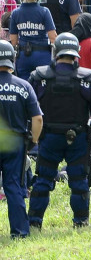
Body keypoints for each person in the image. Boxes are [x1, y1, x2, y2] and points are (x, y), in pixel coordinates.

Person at [27, 33, 91, 228]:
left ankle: (34, 223)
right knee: (79, 181)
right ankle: (81, 223)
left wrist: (32, 137)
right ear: (76, 54)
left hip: (48, 138)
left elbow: (28, 110)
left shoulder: (39, 77)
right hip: (78, 138)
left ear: (55, 52)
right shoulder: (88, 78)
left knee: (43, 181)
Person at [0, 40, 42, 238]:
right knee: (14, 186)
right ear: (12, 59)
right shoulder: (24, 86)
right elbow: (37, 119)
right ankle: (20, 232)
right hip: (15, 143)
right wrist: (33, 141)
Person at [10, 0, 57, 81]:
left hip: (23, 55)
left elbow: (13, 40)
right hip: (42, 54)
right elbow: (53, 37)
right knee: (42, 85)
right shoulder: (44, 11)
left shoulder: (15, 13)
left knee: (24, 84)